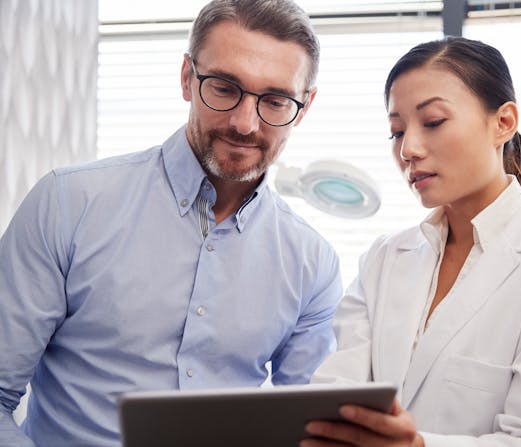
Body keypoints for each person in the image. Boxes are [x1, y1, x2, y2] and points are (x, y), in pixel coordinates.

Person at [0, 1, 343, 445]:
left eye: (275, 101)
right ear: (187, 77)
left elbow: (314, 430)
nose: (244, 123)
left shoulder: (313, 263)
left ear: (305, 105)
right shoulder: (67, 203)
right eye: (224, 88)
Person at [304, 37, 521, 447]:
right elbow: (336, 400)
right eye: (396, 132)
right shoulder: (384, 260)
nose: (408, 149)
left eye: (433, 122)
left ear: (503, 122)